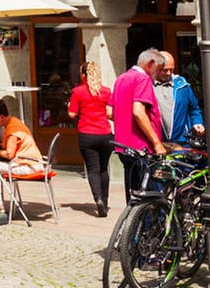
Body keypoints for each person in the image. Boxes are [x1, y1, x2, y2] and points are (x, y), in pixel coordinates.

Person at [111, 49, 168, 198]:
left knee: (133, 194)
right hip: (141, 147)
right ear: (150, 64)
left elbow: (109, 111)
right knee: (148, 196)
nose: (159, 74)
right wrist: (156, 143)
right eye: (159, 69)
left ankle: (132, 220)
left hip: (124, 146)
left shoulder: (121, 78)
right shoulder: (143, 79)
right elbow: (138, 111)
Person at [68, 60, 114, 217]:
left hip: (87, 134)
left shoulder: (78, 91)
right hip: (106, 134)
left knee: (93, 170)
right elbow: (110, 112)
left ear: (83, 76)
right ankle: (106, 202)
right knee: (104, 169)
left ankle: (98, 199)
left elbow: (72, 114)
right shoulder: (106, 91)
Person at [154, 50, 205, 145]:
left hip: (182, 141)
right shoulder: (147, 86)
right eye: (165, 70)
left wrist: (197, 123)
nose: (169, 73)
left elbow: (194, 109)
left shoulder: (182, 85)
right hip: (157, 141)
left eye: (171, 69)